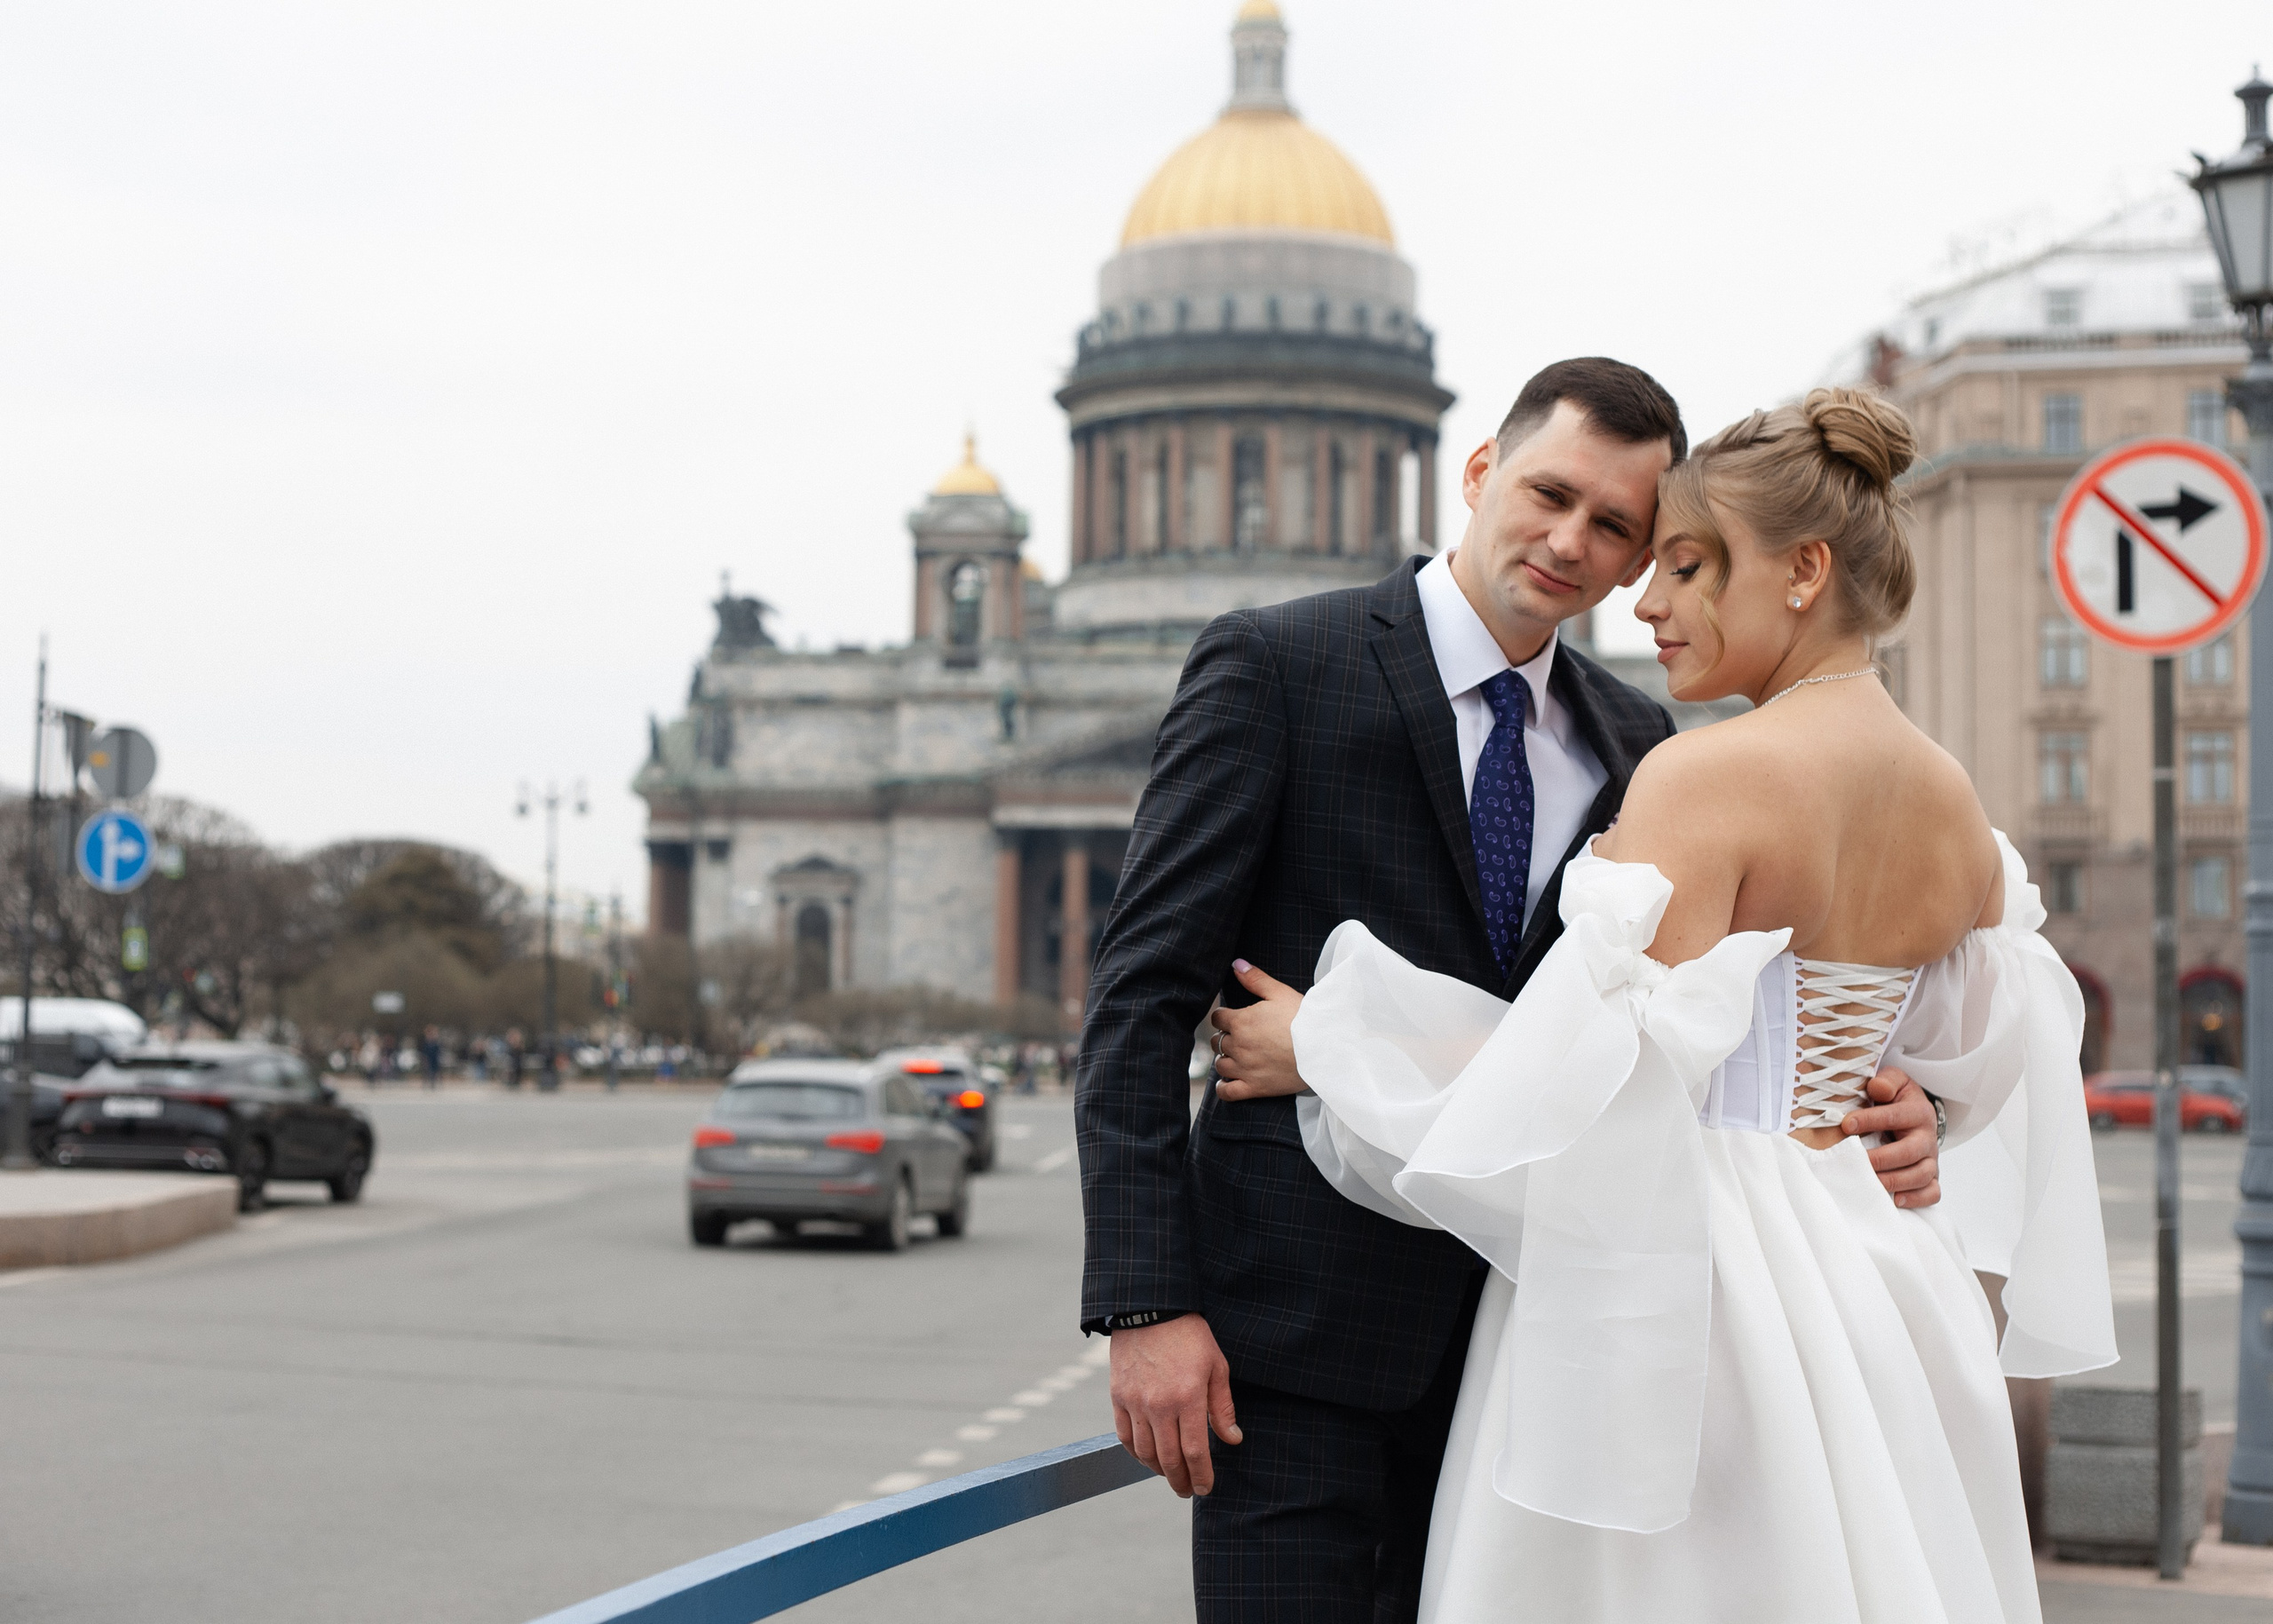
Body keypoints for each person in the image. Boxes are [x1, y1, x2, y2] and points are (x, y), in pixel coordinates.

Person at [1074, 359, 1947, 1622]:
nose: (1571, 542)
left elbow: (1688, 1037)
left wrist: (1894, 1104)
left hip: (1534, 1351)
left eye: (1619, 529)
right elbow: (1139, 996)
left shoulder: (1644, 741)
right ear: (1480, 470)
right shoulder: (1278, 664)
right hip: (1293, 1350)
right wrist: (1146, 1303)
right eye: (1551, 493)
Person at [1250, 389, 2116, 1620]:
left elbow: (1581, 1103)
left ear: (1805, 570)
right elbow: (1974, 1063)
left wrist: (1331, 1044)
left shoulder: (1707, 777)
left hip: (1701, 1293)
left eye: (1688, 567)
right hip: (1884, 1286)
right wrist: (1909, 1108)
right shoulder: (1955, 811)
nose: (1641, 603)